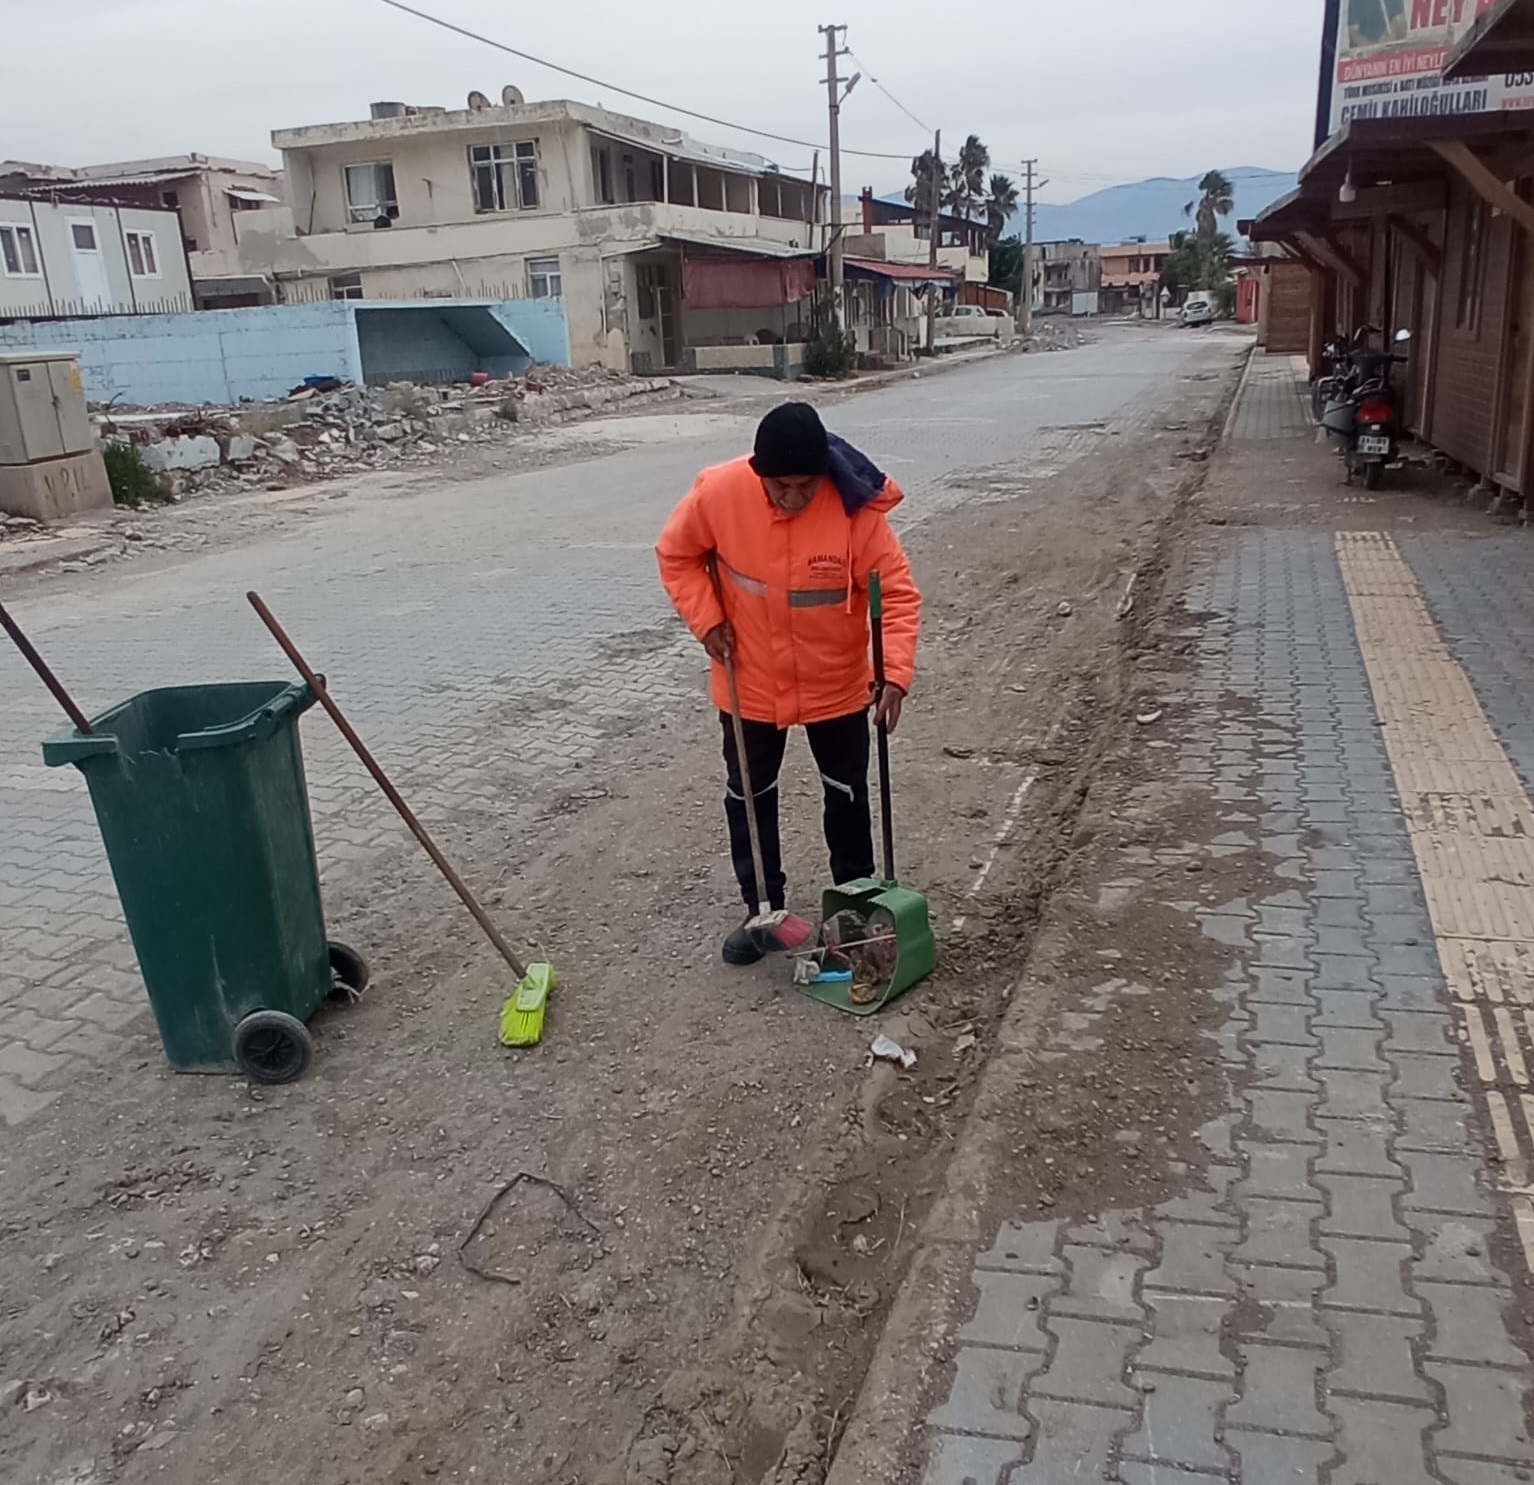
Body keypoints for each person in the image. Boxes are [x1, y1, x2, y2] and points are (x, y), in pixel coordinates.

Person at [656, 402, 921, 965]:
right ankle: (763, 912)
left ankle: (854, 909)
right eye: (781, 487)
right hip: (748, 677)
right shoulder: (719, 495)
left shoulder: (854, 512)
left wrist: (893, 674)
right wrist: (708, 621)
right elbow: (676, 555)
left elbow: (895, 596)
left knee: (846, 797)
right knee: (749, 798)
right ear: (759, 474)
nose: (795, 498)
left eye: (806, 486)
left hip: (838, 682)